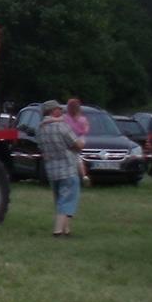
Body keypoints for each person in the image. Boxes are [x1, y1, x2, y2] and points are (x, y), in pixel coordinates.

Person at [38, 100, 87, 237]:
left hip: (52, 170)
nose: (61, 111)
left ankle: (66, 230)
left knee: (59, 200)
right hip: (68, 168)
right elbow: (77, 145)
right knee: (67, 200)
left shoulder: (40, 129)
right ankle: (58, 230)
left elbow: (42, 148)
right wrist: (82, 141)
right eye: (58, 109)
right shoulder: (62, 127)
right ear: (53, 111)